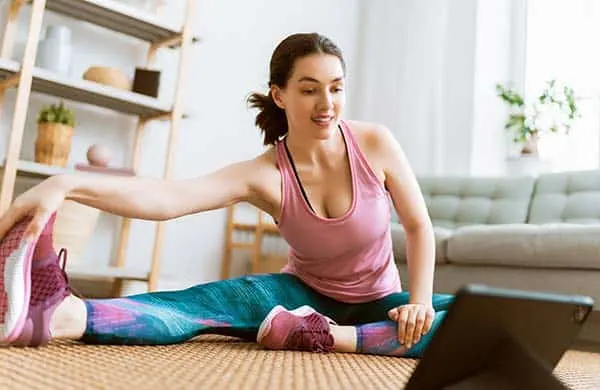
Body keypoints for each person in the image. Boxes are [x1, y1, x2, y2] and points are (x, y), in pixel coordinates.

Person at [0, 32, 452, 356]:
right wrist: (67, 184)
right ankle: (62, 316)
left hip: (381, 302)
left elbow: (418, 225)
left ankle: (326, 337)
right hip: (300, 296)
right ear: (279, 94)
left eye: (336, 89)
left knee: (469, 317)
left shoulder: (375, 144)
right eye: (309, 90)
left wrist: (419, 303)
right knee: (200, 304)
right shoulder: (266, 174)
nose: (326, 104)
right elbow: (168, 199)